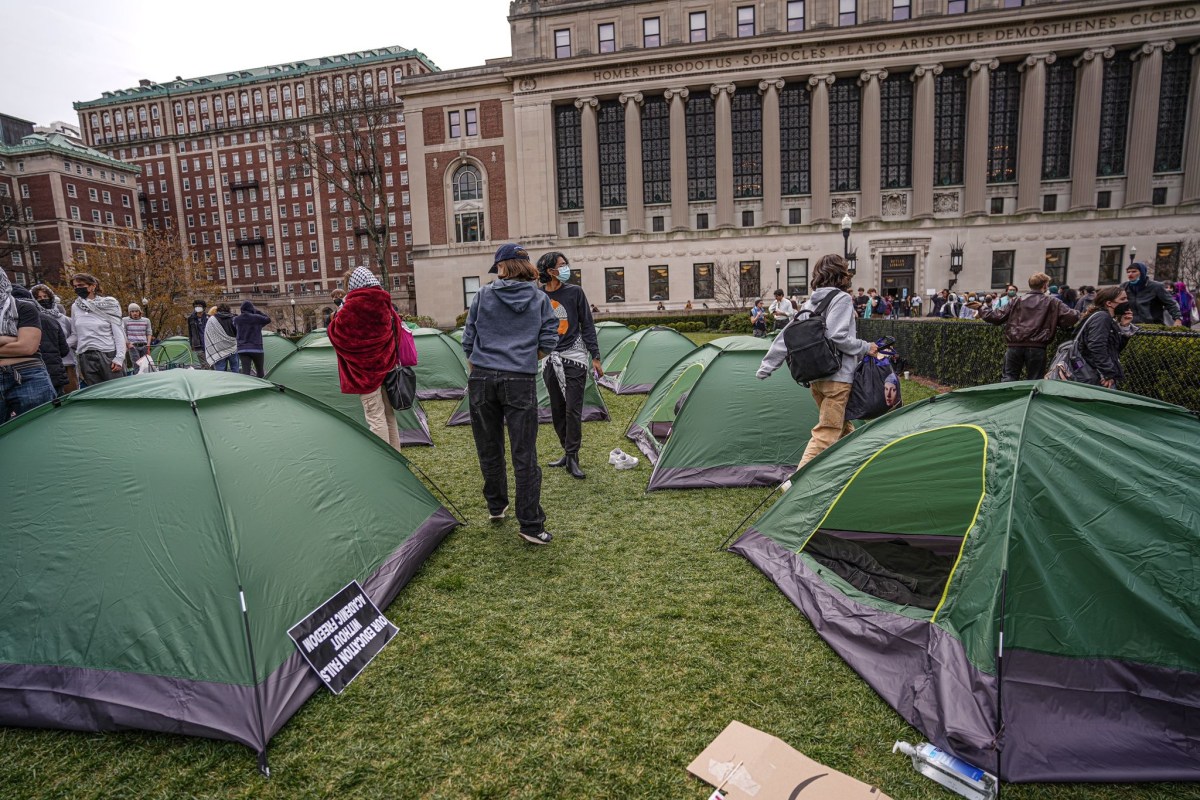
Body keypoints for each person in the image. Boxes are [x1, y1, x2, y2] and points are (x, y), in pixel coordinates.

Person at [462, 243, 558, 545]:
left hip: (482, 378)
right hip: (520, 379)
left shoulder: (482, 295)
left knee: (488, 446)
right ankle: (530, 524)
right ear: (526, 266)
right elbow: (550, 339)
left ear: (501, 267)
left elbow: (468, 339)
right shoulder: (540, 299)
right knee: (524, 453)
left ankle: (496, 504)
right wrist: (525, 359)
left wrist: (483, 361)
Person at [756, 254, 877, 471]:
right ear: (842, 274)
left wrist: (767, 365)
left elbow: (787, 334)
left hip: (816, 379)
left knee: (842, 426)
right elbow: (838, 337)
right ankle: (795, 484)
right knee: (827, 431)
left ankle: (860, 467)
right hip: (838, 378)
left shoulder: (810, 302)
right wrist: (866, 347)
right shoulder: (841, 299)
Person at [327, 266, 416, 452]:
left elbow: (336, 335)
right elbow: (397, 332)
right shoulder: (385, 302)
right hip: (387, 367)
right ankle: (396, 457)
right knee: (389, 416)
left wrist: (336, 316)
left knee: (375, 418)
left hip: (364, 373)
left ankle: (384, 463)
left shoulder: (350, 308)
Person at [536, 251, 603, 479]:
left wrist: (595, 355)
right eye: (562, 265)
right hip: (548, 359)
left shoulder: (575, 292)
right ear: (549, 270)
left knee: (572, 409)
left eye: (566, 264)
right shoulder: (538, 295)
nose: (567, 269)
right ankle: (567, 450)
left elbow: (587, 324)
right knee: (557, 410)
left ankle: (573, 457)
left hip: (574, 357)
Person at [980, 271, 1079, 382]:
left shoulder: (1017, 301)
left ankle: (1008, 398)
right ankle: (1030, 399)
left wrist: (981, 308)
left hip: (1015, 345)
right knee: (1034, 381)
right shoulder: (1052, 302)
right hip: (1037, 346)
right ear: (1045, 285)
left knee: (1009, 379)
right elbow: (1072, 316)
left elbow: (995, 316)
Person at [0, 268, 56, 421]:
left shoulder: (24, 308)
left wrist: (20, 342)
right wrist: (12, 339)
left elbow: (27, 347)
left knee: (38, 429)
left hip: (28, 375)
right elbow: (21, 344)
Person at [68, 272, 126, 385]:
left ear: (92, 286)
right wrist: (59, 347)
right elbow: (75, 335)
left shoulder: (110, 304)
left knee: (117, 390)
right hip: (85, 356)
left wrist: (119, 358)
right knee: (96, 393)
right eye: (75, 286)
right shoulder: (75, 307)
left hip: (108, 354)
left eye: (80, 285)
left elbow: (118, 333)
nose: (77, 289)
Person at [12, 285, 69, 396]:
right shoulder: (51, 320)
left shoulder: (11, 323)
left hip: (28, 376)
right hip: (56, 374)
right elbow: (64, 350)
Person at [1077, 286, 1131, 389]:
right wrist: (1107, 373)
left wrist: (1124, 326)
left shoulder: (1107, 318)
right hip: (1097, 375)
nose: (1126, 302)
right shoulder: (1102, 317)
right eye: (1122, 299)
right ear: (1109, 303)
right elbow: (1096, 346)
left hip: (1097, 373)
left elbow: (1114, 349)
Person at [31, 284, 76, 392]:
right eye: (39, 297)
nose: (43, 299)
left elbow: (75, 335)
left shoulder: (64, 319)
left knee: (71, 392)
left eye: (45, 296)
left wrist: (61, 345)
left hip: (66, 362)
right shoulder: (33, 318)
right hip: (44, 364)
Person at [1122, 262, 1182, 326]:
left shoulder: (1156, 286)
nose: (1130, 274)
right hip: (1131, 325)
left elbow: (1171, 304)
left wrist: (1177, 319)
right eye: (1128, 272)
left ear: (1142, 272)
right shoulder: (1124, 287)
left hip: (1153, 326)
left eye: (1134, 271)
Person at [233, 300, 272, 377]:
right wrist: (257, 311)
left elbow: (234, 327)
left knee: (246, 372)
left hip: (242, 348)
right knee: (260, 371)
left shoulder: (236, 319)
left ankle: (247, 386)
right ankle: (261, 386)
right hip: (257, 348)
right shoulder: (257, 318)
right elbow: (268, 319)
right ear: (251, 309)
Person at [204, 303, 239, 371]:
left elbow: (208, 333)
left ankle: (221, 381)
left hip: (218, 349)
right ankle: (235, 381)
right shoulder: (234, 318)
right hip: (233, 347)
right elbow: (238, 332)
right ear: (229, 310)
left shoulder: (212, 319)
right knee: (235, 368)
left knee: (220, 370)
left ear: (218, 310)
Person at [122, 302, 153, 370]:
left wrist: (148, 345)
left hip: (144, 345)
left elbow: (149, 333)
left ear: (139, 312)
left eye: (136, 311)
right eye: (132, 311)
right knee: (137, 365)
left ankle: (146, 379)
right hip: (133, 346)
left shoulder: (146, 320)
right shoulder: (125, 320)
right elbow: (123, 333)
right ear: (129, 313)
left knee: (146, 365)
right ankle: (138, 379)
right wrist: (128, 344)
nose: (135, 313)